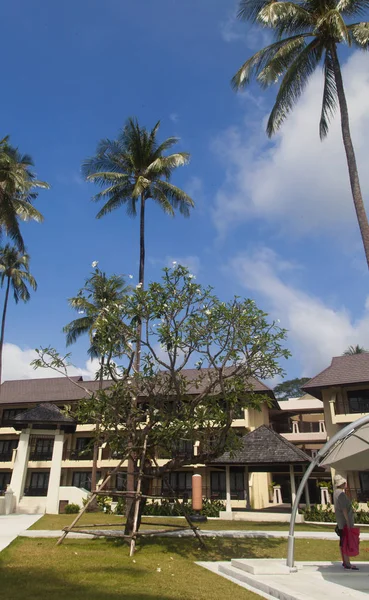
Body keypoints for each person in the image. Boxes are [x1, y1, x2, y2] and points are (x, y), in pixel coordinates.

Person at [333, 474, 359, 570]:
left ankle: (345, 561)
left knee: (342, 542)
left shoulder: (336, 493)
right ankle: (347, 563)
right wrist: (348, 523)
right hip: (344, 522)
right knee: (345, 542)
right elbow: (344, 509)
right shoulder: (341, 494)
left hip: (340, 522)